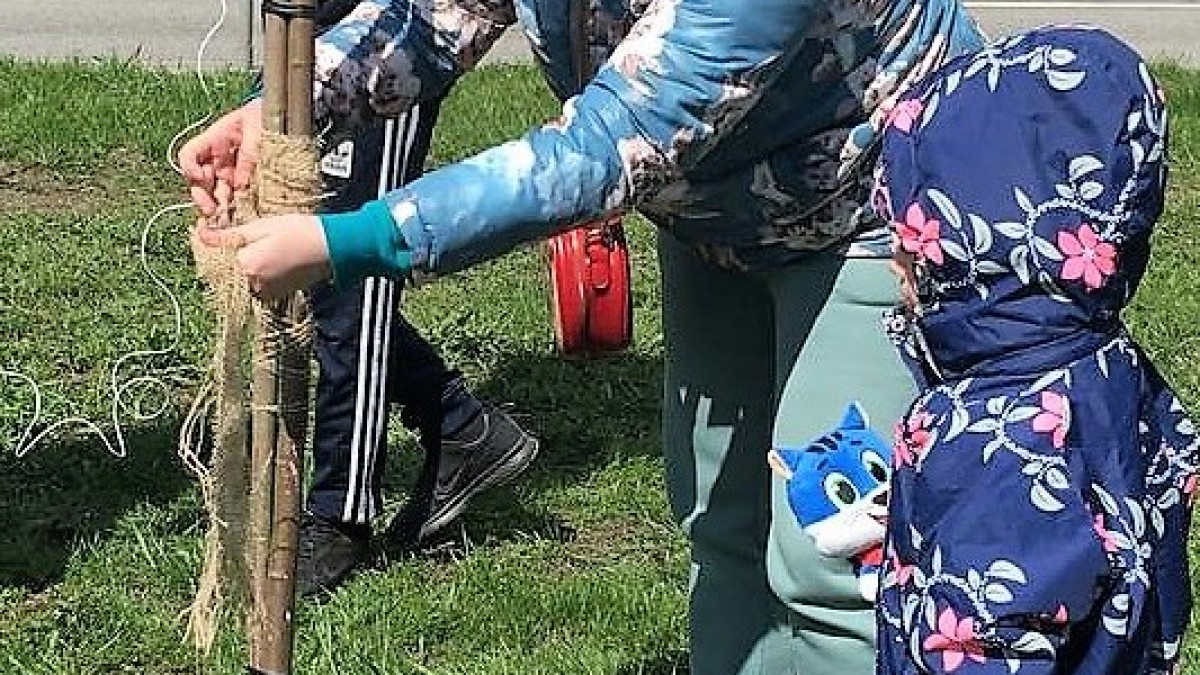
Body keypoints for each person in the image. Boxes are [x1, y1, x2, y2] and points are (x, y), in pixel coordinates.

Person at [181, 1, 986, 672]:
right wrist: (287, 104)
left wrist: (351, 241)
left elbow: (608, 145)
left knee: (836, 557)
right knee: (721, 525)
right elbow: (432, 16)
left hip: (877, 211)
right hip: (715, 211)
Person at [191, 0, 541, 599]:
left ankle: (340, 515)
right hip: (306, 38)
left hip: (385, 33)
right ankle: (461, 426)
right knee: (306, 267)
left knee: (352, 288)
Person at [873, 26, 1197, 674]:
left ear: (973, 251)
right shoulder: (1097, 370)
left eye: (912, 239)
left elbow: (985, 636)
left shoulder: (999, 438)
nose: (895, 261)